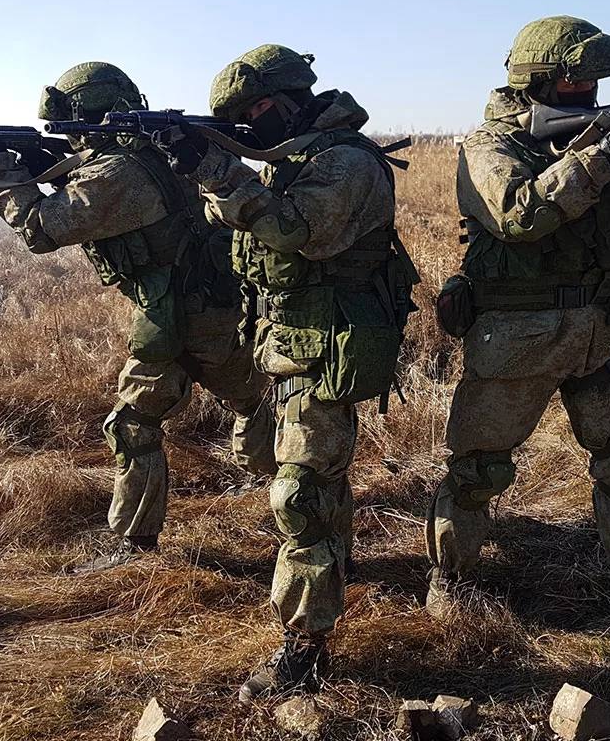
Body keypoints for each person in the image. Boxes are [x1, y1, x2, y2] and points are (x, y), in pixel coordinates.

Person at [427, 16, 610, 642]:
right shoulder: (490, 145)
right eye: (575, 81)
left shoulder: (599, 142)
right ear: (538, 80)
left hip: (601, 330)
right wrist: (601, 156)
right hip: (517, 339)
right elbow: (518, 215)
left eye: (594, 81)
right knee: (478, 471)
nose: (588, 91)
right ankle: (452, 577)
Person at [157, 44, 416, 702]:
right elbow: (237, 225)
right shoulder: (293, 159)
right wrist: (200, 168)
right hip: (295, 344)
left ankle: (305, 644)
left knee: (298, 494)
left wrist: (216, 168)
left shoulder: (343, 163)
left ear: (285, 101)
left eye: (253, 113)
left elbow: (293, 229)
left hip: (330, 345)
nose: (248, 127)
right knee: (320, 479)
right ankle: (335, 568)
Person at [0, 61, 277, 573]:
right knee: (249, 396)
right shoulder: (159, 148)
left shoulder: (115, 173)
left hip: (176, 318)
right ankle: (281, 481)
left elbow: (40, 229)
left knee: (133, 425)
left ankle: (135, 546)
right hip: (215, 305)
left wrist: (1, 169)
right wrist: (49, 163)